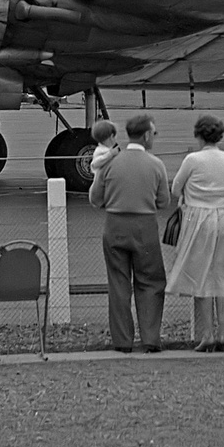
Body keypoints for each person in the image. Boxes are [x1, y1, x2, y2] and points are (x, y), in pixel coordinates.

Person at [88, 113, 169, 353]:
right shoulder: (156, 165)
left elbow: (95, 198)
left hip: (115, 224)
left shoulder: (109, 163)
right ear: (146, 135)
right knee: (150, 281)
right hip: (145, 225)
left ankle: (123, 340)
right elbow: (163, 201)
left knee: (118, 283)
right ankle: (150, 337)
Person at [166, 114, 224, 353]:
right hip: (223, 216)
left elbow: (176, 186)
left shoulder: (193, 159)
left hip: (198, 216)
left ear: (198, 135)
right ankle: (223, 332)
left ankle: (207, 334)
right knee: (221, 275)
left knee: (201, 275)